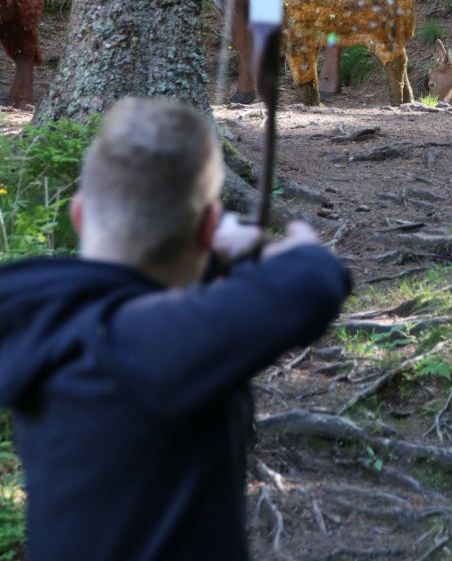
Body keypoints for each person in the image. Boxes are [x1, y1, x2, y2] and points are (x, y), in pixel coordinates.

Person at [0, 97, 351, 561]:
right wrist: (292, 245)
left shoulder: (33, 315)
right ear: (209, 228)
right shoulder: (151, 343)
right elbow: (314, 281)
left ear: (79, 214)